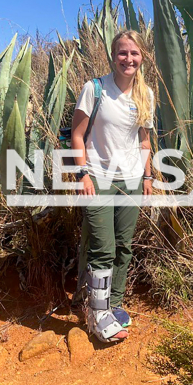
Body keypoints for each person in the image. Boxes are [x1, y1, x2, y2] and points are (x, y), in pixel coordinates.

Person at [70, 30, 154, 343]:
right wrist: (82, 174)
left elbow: (144, 139)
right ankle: (96, 315)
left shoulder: (146, 95)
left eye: (134, 53)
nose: (128, 59)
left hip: (131, 179)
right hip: (99, 177)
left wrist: (147, 176)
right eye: (122, 53)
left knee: (124, 245)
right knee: (102, 248)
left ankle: (114, 303)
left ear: (142, 57)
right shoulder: (95, 89)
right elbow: (77, 135)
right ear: (113, 55)